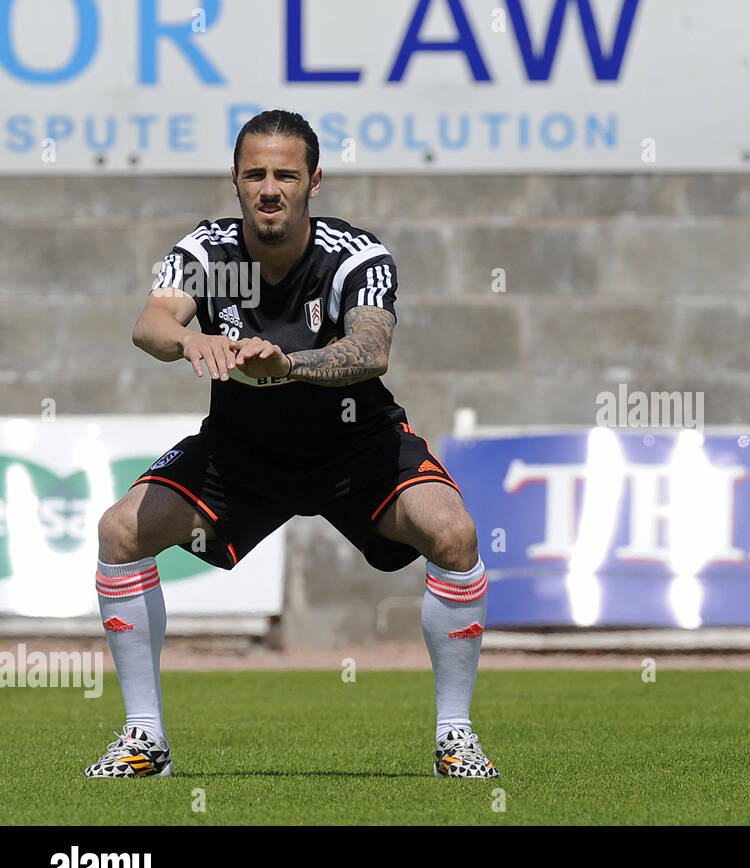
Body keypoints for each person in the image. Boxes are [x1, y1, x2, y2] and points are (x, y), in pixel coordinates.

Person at [88, 110, 497, 779]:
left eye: (285, 174)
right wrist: (190, 340)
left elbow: (372, 350)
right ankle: (144, 741)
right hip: (241, 453)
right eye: (255, 174)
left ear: (314, 182)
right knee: (120, 532)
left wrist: (291, 365)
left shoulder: (354, 257)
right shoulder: (208, 252)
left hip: (356, 447)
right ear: (235, 180)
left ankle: (456, 738)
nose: (269, 187)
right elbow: (150, 323)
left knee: (454, 534)